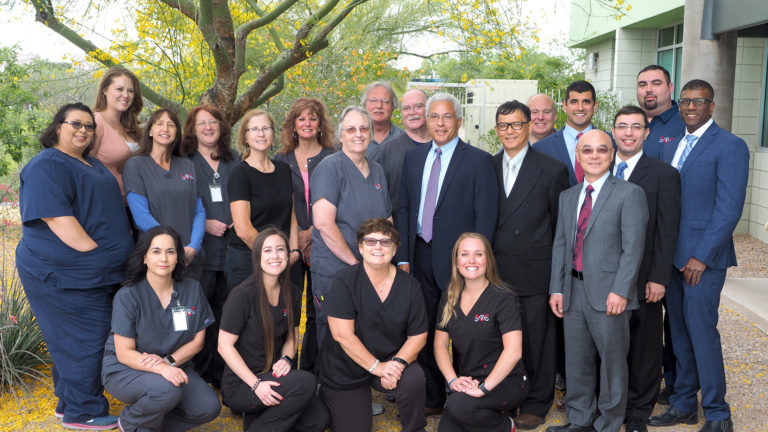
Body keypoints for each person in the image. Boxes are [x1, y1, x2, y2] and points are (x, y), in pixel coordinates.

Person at [16, 103, 134, 430]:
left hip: (95, 272)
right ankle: (83, 412)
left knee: (71, 338)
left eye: (89, 126)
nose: (83, 130)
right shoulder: (46, 165)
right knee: (88, 338)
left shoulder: (90, 162)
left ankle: (68, 400)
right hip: (68, 273)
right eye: (75, 124)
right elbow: (57, 217)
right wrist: (96, 254)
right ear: (57, 127)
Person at [649, 79, 749, 432]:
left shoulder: (730, 146)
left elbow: (729, 209)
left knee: (702, 334)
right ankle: (683, 403)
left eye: (699, 101)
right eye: (685, 101)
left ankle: (718, 413)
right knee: (678, 334)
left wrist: (702, 257)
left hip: (702, 264)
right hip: (672, 260)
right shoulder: (672, 145)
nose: (690, 107)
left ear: (711, 106)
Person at [395, 92, 498, 415]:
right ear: (427, 120)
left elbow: (486, 215)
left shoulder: (479, 160)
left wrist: (476, 263)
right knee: (423, 326)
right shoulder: (412, 158)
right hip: (420, 255)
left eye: (447, 117)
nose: (440, 123)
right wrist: (403, 257)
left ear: (459, 121)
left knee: (465, 331)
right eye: (435, 117)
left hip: (460, 261)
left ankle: (466, 395)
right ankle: (433, 397)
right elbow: (403, 207)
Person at [547, 130, 648, 432]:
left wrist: (621, 290)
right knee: (577, 361)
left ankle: (608, 422)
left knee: (612, 363)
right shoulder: (568, 197)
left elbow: (634, 249)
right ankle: (579, 419)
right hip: (572, 291)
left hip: (609, 294)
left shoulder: (629, 194)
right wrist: (556, 287)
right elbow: (561, 245)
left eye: (601, 150)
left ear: (612, 154)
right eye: (587, 150)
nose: (594, 156)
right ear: (578, 156)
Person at [491, 100, 569, 429]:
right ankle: (505, 396)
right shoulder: (486, 166)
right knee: (500, 340)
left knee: (537, 341)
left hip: (536, 271)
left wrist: (557, 281)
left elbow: (562, 229)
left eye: (516, 124)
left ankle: (537, 400)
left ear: (529, 126)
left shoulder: (552, 169)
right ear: (497, 130)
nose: (510, 131)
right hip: (495, 271)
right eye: (504, 125)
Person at [102, 226, 220, 431]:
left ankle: (148, 425)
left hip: (173, 363)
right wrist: (160, 368)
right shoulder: (128, 296)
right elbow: (124, 352)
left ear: (178, 258)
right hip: (127, 367)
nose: (163, 258)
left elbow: (197, 342)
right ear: (144, 258)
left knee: (208, 407)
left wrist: (168, 362)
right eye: (156, 251)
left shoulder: (192, 289)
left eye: (170, 251)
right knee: (167, 391)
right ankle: (130, 422)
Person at [610, 105, 681, 432]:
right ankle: (610, 408)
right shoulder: (598, 167)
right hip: (604, 279)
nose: (628, 133)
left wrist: (658, 278)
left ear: (646, 133)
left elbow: (667, 231)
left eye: (636, 127)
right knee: (608, 349)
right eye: (622, 126)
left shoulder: (664, 174)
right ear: (613, 131)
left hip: (643, 281)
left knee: (643, 350)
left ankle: (638, 414)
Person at [319, 218, 428, 432]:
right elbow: (342, 335)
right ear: (360, 247)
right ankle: (325, 396)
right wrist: (377, 367)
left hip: (390, 359)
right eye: (370, 241)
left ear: (395, 249)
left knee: (413, 378)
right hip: (346, 367)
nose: (378, 247)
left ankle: (415, 428)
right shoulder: (344, 281)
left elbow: (418, 336)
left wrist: (396, 365)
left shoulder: (409, 285)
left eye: (385, 242)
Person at [218, 228, 328, 432]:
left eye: (280, 249)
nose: (275, 256)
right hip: (243, 383)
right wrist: (256, 385)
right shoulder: (241, 295)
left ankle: (259, 415)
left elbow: (292, 334)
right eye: (267, 250)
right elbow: (224, 347)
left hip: (273, 376)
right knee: (306, 382)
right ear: (257, 256)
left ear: (288, 254)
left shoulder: (292, 291)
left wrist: (286, 358)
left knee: (318, 419)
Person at [310, 106, 391, 349]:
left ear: (371, 134)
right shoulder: (330, 167)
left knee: (362, 330)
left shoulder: (377, 170)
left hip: (370, 269)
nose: (358, 134)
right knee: (333, 333)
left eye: (363, 128)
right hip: (336, 269)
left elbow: (387, 222)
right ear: (341, 135)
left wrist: (380, 262)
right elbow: (324, 223)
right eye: (351, 129)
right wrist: (355, 263)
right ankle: (325, 386)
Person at [435, 233, 528, 432]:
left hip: (506, 381)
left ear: (488, 260)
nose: (471, 261)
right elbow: (440, 345)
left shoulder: (503, 298)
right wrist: (453, 380)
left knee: (457, 406)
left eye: (479, 254)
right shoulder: (449, 295)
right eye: (465, 254)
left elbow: (513, 352)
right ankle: (489, 414)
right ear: (456, 261)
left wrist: (483, 389)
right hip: (469, 380)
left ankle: (506, 425)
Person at [273, 97, 336, 372]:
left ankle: (314, 372)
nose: (307, 123)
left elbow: (337, 200)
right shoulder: (281, 158)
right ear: (293, 124)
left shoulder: (334, 156)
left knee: (319, 311)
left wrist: (311, 234)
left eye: (312, 118)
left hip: (326, 243)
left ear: (320, 123)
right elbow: (279, 202)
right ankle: (286, 370)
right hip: (291, 244)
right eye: (301, 118)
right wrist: (297, 237)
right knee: (289, 310)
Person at [181, 104, 238, 387]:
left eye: (213, 121)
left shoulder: (234, 159)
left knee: (227, 314)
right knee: (200, 314)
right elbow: (177, 204)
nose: (208, 127)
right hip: (200, 251)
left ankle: (221, 373)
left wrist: (240, 219)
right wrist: (204, 225)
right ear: (192, 129)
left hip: (232, 249)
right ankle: (198, 375)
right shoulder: (183, 161)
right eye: (201, 123)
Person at [123, 108, 206, 281]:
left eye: (171, 125)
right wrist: (173, 248)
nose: (165, 129)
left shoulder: (187, 166)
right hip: (157, 257)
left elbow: (199, 211)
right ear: (150, 131)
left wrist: (194, 246)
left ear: (177, 132)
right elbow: (141, 217)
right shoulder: (136, 165)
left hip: (190, 257)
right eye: (159, 124)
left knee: (191, 306)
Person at [226, 108, 300, 291]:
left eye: (266, 128)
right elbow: (243, 229)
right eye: (254, 129)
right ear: (245, 137)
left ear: (273, 134)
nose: (261, 133)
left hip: (281, 260)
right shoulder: (239, 174)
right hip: (248, 260)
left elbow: (291, 213)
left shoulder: (283, 170)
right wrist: (272, 255)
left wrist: (294, 250)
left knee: (283, 316)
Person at [370, 88, 432, 217]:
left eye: (418, 106)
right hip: (398, 231)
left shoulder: (444, 149)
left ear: (430, 109)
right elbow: (372, 197)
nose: (412, 112)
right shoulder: (385, 153)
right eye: (406, 108)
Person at [534, 80, 600, 186]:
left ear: (595, 106)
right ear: (565, 106)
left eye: (586, 102)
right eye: (574, 102)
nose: (580, 108)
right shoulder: (541, 149)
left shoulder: (611, 143)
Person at [92, 66, 143, 198]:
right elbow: (83, 167)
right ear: (105, 90)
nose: (125, 95)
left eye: (130, 91)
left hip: (134, 203)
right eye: (119, 89)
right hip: (108, 202)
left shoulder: (130, 125)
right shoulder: (95, 122)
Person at [636, 65, 686, 160]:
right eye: (642, 85)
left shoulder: (686, 124)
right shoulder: (627, 124)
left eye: (656, 83)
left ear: (670, 88)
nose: (649, 89)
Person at [361, 81, 405, 157]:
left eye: (385, 101)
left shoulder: (404, 139)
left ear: (393, 106)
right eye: (373, 100)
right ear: (364, 105)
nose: (379, 106)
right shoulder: (354, 137)